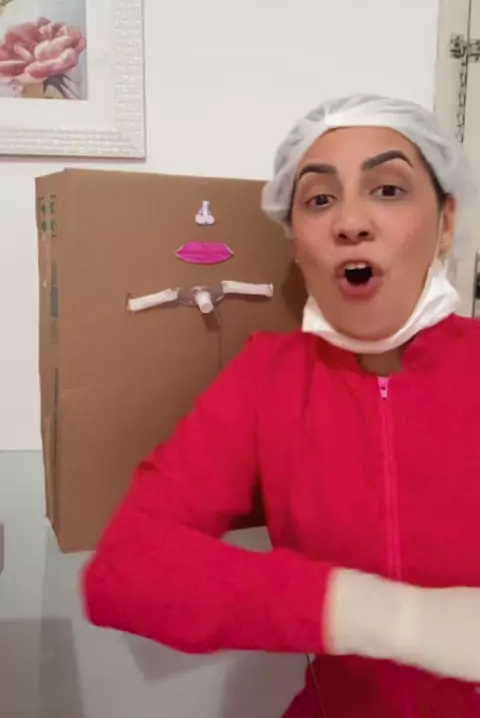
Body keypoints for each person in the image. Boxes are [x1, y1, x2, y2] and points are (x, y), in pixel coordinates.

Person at [81, 95, 480, 718]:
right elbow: (125, 569)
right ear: (295, 239)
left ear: (446, 221)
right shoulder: (268, 377)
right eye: (319, 199)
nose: (350, 222)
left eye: (388, 190)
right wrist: (390, 617)